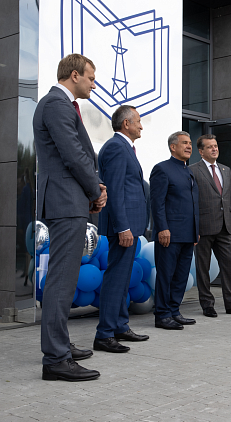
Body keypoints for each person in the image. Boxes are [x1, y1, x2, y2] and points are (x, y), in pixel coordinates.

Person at [34, 54, 106, 382]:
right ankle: (56, 359)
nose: (94, 85)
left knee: (64, 277)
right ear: (74, 75)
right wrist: (95, 190)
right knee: (62, 279)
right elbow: (74, 155)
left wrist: (90, 192)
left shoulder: (62, 105)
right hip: (65, 202)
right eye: (91, 78)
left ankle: (60, 345)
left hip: (69, 200)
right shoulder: (56, 104)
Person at [93, 105, 149, 353]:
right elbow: (114, 191)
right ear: (126, 123)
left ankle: (119, 326)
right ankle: (104, 334)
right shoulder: (116, 147)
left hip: (130, 225)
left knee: (123, 278)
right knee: (116, 279)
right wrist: (123, 227)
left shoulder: (124, 147)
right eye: (138, 121)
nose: (141, 126)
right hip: (123, 227)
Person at [190, 134, 231, 317]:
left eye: (215, 146)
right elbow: (191, 202)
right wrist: (194, 227)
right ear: (201, 151)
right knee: (203, 268)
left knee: (229, 265)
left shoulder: (225, 169)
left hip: (225, 226)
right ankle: (207, 304)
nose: (214, 149)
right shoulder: (193, 170)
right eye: (210, 147)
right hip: (203, 227)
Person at [150, 131, 200, 330]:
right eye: (184, 143)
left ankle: (174, 311)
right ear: (173, 147)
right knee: (166, 275)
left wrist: (196, 230)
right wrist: (162, 228)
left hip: (188, 233)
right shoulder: (162, 169)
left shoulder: (188, 171)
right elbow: (157, 203)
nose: (189, 146)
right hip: (169, 234)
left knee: (181, 275)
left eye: (190, 143)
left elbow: (193, 204)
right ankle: (162, 315)